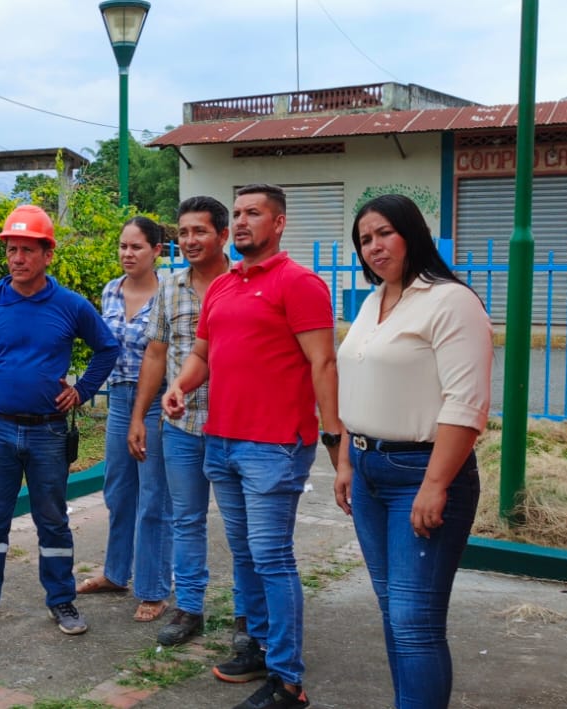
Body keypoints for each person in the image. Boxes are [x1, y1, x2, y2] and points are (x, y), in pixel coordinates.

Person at [163, 184, 346, 709]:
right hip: (221, 440)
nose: (242, 222)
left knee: (271, 558)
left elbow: (323, 363)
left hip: (274, 446)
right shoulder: (223, 287)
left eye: (254, 214)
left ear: (279, 222)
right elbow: (203, 353)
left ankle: (288, 682)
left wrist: (334, 439)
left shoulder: (300, 283)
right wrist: (180, 386)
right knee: (245, 555)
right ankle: (261, 649)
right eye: (238, 213)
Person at [333, 194, 492, 709]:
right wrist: (345, 460)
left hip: (420, 472)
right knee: (394, 614)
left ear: (412, 233)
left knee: (414, 620)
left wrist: (436, 484)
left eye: (384, 233)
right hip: (368, 470)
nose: (374, 247)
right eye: (365, 240)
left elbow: (466, 403)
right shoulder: (373, 302)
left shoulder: (450, 301)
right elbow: (355, 387)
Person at [0, 204, 120, 638]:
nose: (18, 258)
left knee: (53, 520)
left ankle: (61, 600)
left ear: (48, 254)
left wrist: (82, 390)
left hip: (48, 431)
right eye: (12, 249)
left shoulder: (70, 306)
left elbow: (107, 348)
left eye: (27, 250)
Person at [127, 197, 251, 651]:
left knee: (242, 527)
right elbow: (156, 354)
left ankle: (247, 615)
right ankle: (190, 608)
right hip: (182, 427)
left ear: (223, 235)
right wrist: (140, 415)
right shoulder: (170, 287)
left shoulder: (245, 284)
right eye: (183, 233)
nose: (190, 240)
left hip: (237, 427)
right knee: (186, 520)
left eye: (200, 231)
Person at [78, 216, 172, 624]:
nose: (127, 254)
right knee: (118, 490)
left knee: (154, 497)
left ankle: (154, 588)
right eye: (123, 246)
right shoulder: (110, 291)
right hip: (119, 398)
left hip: (156, 401)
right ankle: (116, 573)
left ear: (156, 251)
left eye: (136, 247)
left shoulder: (170, 293)